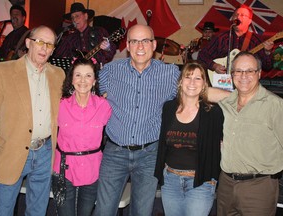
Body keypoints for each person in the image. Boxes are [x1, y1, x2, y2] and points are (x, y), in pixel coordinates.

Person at [94, 24, 229, 216]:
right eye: (134, 41)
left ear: (154, 45)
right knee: (103, 210)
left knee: (142, 211)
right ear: (128, 46)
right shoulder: (109, 71)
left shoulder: (171, 74)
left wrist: (240, 96)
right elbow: (96, 101)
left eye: (145, 41)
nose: (140, 46)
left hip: (150, 155)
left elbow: (197, 90)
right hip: (115, 152)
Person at [0, 25, 65, 215]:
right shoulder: (1, 72)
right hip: (12, 150)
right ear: (28, 43)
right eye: (40, 42)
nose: (44, 48)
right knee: (3, 210)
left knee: (37, 210)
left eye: (50, 44)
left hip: (45, 152)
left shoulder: (58, 75)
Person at [217, 51, 283, 216]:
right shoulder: (226, 104)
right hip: (225, 185)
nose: (243, 75)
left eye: (250, 71)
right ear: (232, 75)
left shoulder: (275, 105)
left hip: (258, 188)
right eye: (238, 71)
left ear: (259, 73)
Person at [154, 62, 224, 216]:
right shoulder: (169, 108)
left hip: (201, 182)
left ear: (204, 84)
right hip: (170, 180)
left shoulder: (213, 112)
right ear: (180, 81)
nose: (192, 82)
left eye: (198, 78)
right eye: (188, 77)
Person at [52, 58, 111, 216]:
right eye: (78, 75)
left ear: (94, 80)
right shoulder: (59, 105)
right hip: (63, 170)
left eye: (88, 75)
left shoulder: (104, 106)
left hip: (92, 169)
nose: (83, 80)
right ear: (71, 79)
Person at [198, 4, 274, 75]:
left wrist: (267, 52)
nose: (238, 17)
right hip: (222, 82)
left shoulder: (256, 40)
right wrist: (214, 66)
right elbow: (202, 55)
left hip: (246, 82)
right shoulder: (221, 38)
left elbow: (267, 67)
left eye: (242, 15)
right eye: (236, 15)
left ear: (249, 21)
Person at [53, 2, 116, 67]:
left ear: (86, 16)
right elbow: (57, 57)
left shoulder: (99, 31)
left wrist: (108, 48)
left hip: (97, 73)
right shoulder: (69, 38)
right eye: (72, 18)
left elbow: (111, 52)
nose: (74, 19)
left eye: (77, 16)